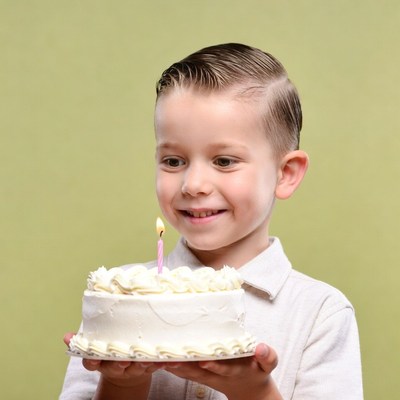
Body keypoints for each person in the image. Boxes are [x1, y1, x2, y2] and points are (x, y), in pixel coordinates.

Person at [60, 43, 363, 399]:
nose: (193, 185)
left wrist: (254, 390)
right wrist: (121, 382)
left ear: (285, 173)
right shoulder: (118, 303)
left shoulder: (320, 314)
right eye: (174, 161)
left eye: (224, 161)